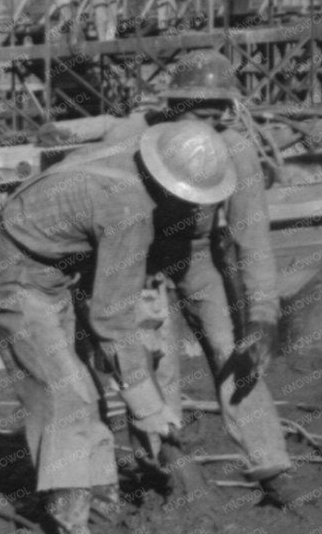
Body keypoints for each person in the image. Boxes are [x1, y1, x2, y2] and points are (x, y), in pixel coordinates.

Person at [0, 120, 237, 534]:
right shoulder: (129, 209)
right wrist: (147, 403)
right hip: (14, 277)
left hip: (56, 267)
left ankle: (101, 498)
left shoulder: (129, 150)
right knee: (67, 393)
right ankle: (72, 523)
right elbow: (112, 320)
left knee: (90, 392)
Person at [104, 52, 294, 507]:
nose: (207, 127)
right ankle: (164, 465)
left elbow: (253, 240)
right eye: (197, 113)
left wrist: (264, 316)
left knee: (235, 352)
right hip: (135, 257)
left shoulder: (236, 150)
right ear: (170, 105)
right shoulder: (127, 139)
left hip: (196, 254)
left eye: (217, 115)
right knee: (155, 359)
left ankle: (272, 468)